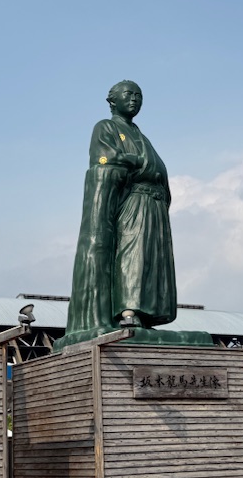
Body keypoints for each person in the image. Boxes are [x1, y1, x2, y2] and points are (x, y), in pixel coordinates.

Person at [62, 80, 177, 345]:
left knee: (151, 260)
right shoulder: (106, 127)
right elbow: (105, 158)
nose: (135, 99)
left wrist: (142, 165)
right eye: (128, 94)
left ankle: (146, 314)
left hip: (154, 205)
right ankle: (128, 310)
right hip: (133, 202)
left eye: (139, 95)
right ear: (112, 100)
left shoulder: (140, 135)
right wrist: (139, 163)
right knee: (132, 254)